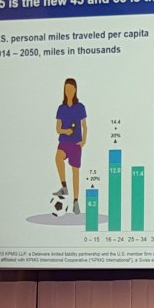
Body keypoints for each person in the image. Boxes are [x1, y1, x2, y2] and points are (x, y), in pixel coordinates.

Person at [53, 78, 87, 215]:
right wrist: (65, 131)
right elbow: (57, 129)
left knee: (75, 172)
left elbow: (85, 126)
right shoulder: (61, 108)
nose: (69, 91)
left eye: (71, 89)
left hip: (76, 143)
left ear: (75, 90)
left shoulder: (80, 107)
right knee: (58, 158)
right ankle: (64, 187)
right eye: (67, 89)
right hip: (64, 142)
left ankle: (76, 202)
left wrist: (83, 141)